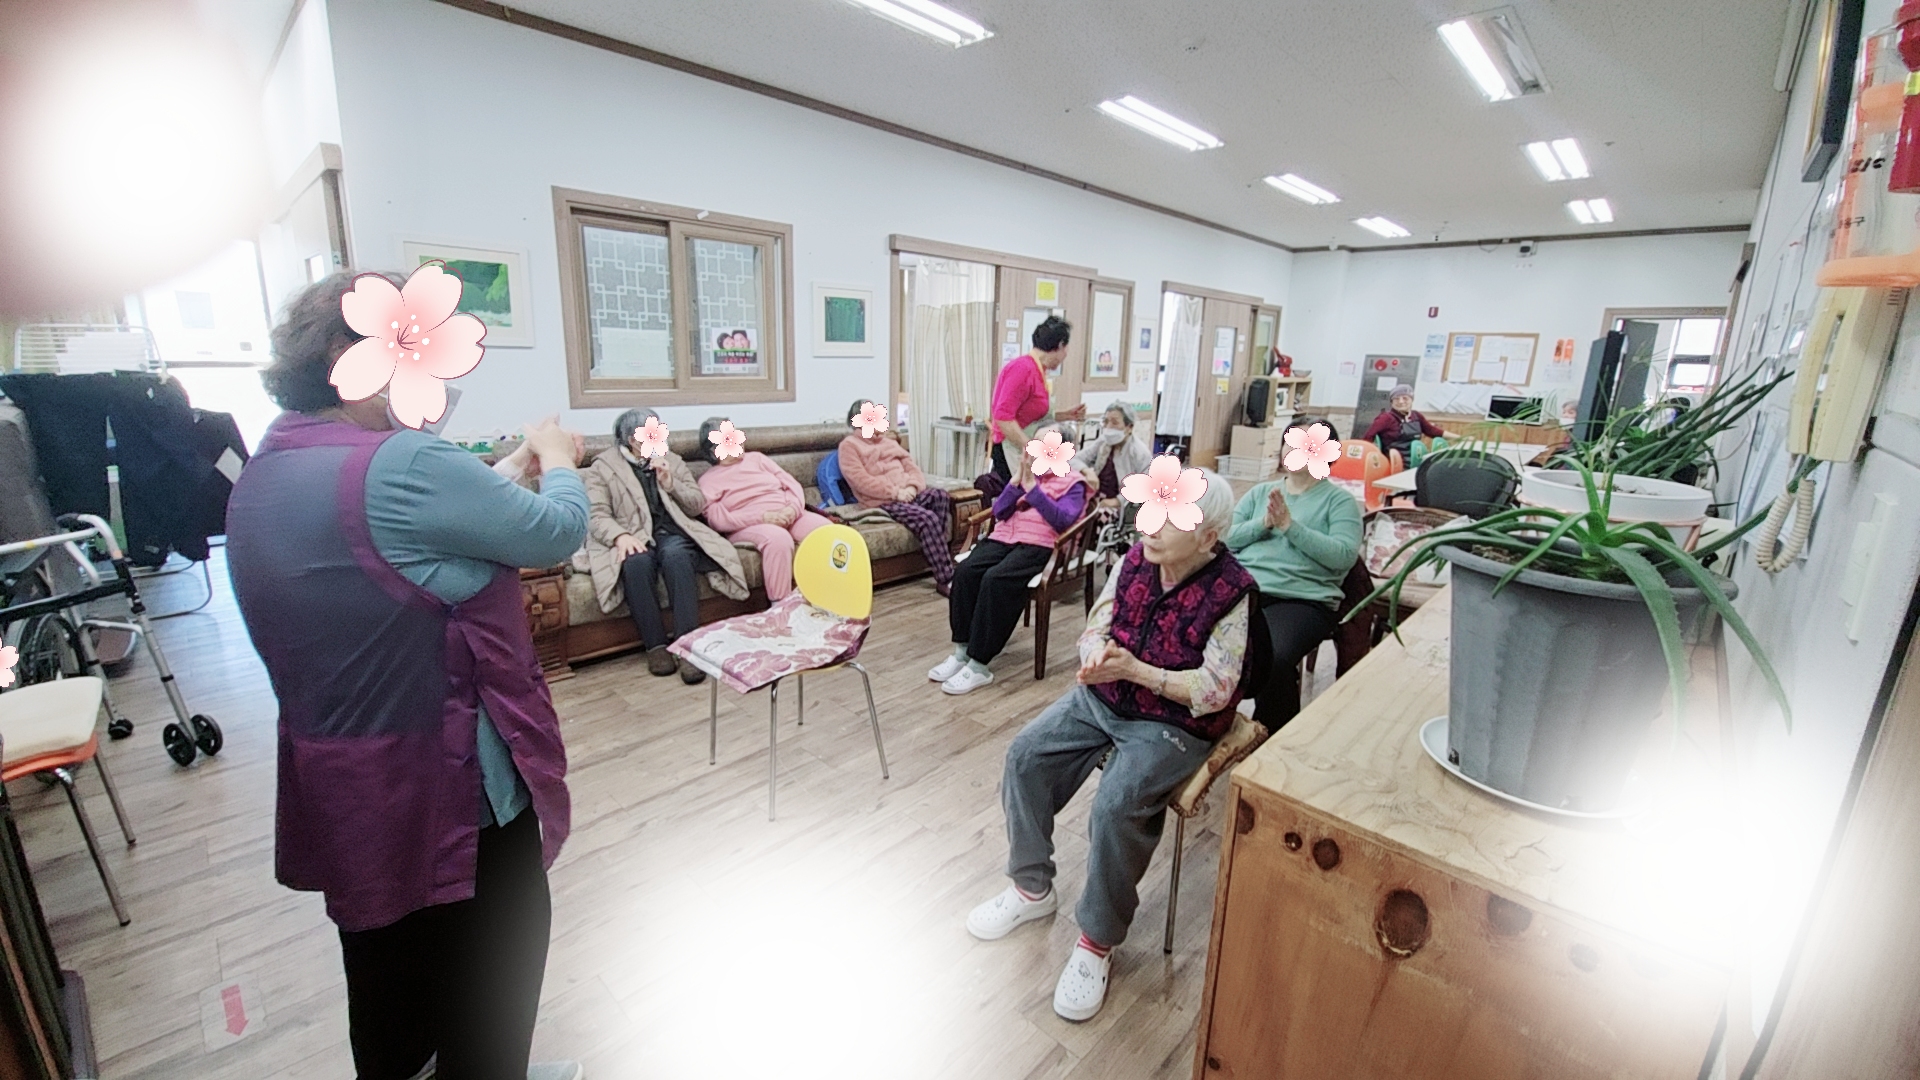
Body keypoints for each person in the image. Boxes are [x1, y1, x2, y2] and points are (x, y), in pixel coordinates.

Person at [224, 273, 587, 1080]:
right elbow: (555, 531)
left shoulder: (271, 464)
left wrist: (505, 467)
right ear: (347, 358)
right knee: (496, 962)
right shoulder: (404, 463)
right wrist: (559, 460)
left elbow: (415, 527)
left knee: (390, 975)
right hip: (453, 779)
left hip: (347, 779)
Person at [967, 470, 1253, 1023]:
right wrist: (1097, 655)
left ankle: (1097, 941)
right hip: (1105, 696)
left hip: (1174, 720)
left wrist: (1140, 671)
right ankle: (1031, 889)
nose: (1152, 525)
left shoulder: (1232, 591)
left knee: (1118, 802)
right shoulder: (1135, 560)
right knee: (1026, 755)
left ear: (1208, 536)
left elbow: (1216, 689)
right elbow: (1097, 627)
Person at [584, 408, 748, 684]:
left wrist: (671, 484)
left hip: (672, 531)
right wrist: (619, 536)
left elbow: (697, 505)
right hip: (632, 534)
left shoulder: (671, 459)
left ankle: (687, 645)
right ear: (631, 440)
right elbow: (596, 514)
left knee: (677, 556)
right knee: (636, 563)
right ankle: (656, 646)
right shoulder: (602, 468)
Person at [929, 424, 1089, 695]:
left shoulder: (1074, 483)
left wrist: (1033, 490)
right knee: (966, 571)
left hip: (1041, 543)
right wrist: (1016, 482)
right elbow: (1001, 512)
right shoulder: (1029, 474)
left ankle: (979, 665)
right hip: (1004, 537)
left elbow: (1063, 520)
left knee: (996, 580)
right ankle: (961, 652)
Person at [1225, 417, 1363, 731]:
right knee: (1188, 634)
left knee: (1274, 657)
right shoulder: (1261, 493)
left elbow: (1343, 557)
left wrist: (1290, 527)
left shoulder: (1340, 502)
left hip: (1303, 599)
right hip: (1245, 590)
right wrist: (1264, 524)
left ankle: (1270, 736)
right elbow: (1225, 537)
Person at [693, 417, 828, 601]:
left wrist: (792, 509)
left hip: (788, 513)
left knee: (826, 531)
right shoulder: (707, 481)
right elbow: (718, 520)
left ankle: (826, 595)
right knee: (778, 539)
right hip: (748, 526)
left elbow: (792, 485)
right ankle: (780, 605)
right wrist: (763, 517)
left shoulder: (757, 458)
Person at [837, 398, 957, 594]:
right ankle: (946, 578)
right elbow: (860, 481)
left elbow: (912, 467)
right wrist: (895, 492)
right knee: (927, 518)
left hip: (907, 493)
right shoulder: (849, 446)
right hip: (882, 501)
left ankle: (936, 556)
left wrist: (912, 487)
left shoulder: (889, 442)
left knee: (941, 496)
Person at [988, 315, 1084, 480]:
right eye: (1066, 349)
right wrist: (1030, 447)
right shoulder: (1023, 369)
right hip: (1011, 449)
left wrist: (1066, 415)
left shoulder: (1038, 370)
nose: (1066, 355)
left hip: (1024, 447)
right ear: (1060, 345)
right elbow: (1003, 417)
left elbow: (1030, 414)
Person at [1070, 402, 1152, 503]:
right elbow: (1075, 459)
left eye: (1115, 422)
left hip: (1120, 506)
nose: (1108, 427)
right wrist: (1086, 471)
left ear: (1129, 427)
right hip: (1096, 498)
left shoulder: (1140, 452)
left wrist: (1117, 502)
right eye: (1106, 422)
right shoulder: (1103, 442)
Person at [1361, 384, 1446, 461]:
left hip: (1416, 459)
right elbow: (1367, 438)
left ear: (1411, 400)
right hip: (1394, 461)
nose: (1401, 401)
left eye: (1405, 398)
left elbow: (1432, 431)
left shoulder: (1416, 416)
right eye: (1396, 399)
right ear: (1391, 402)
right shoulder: (1385, 418)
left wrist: (1454, 437)